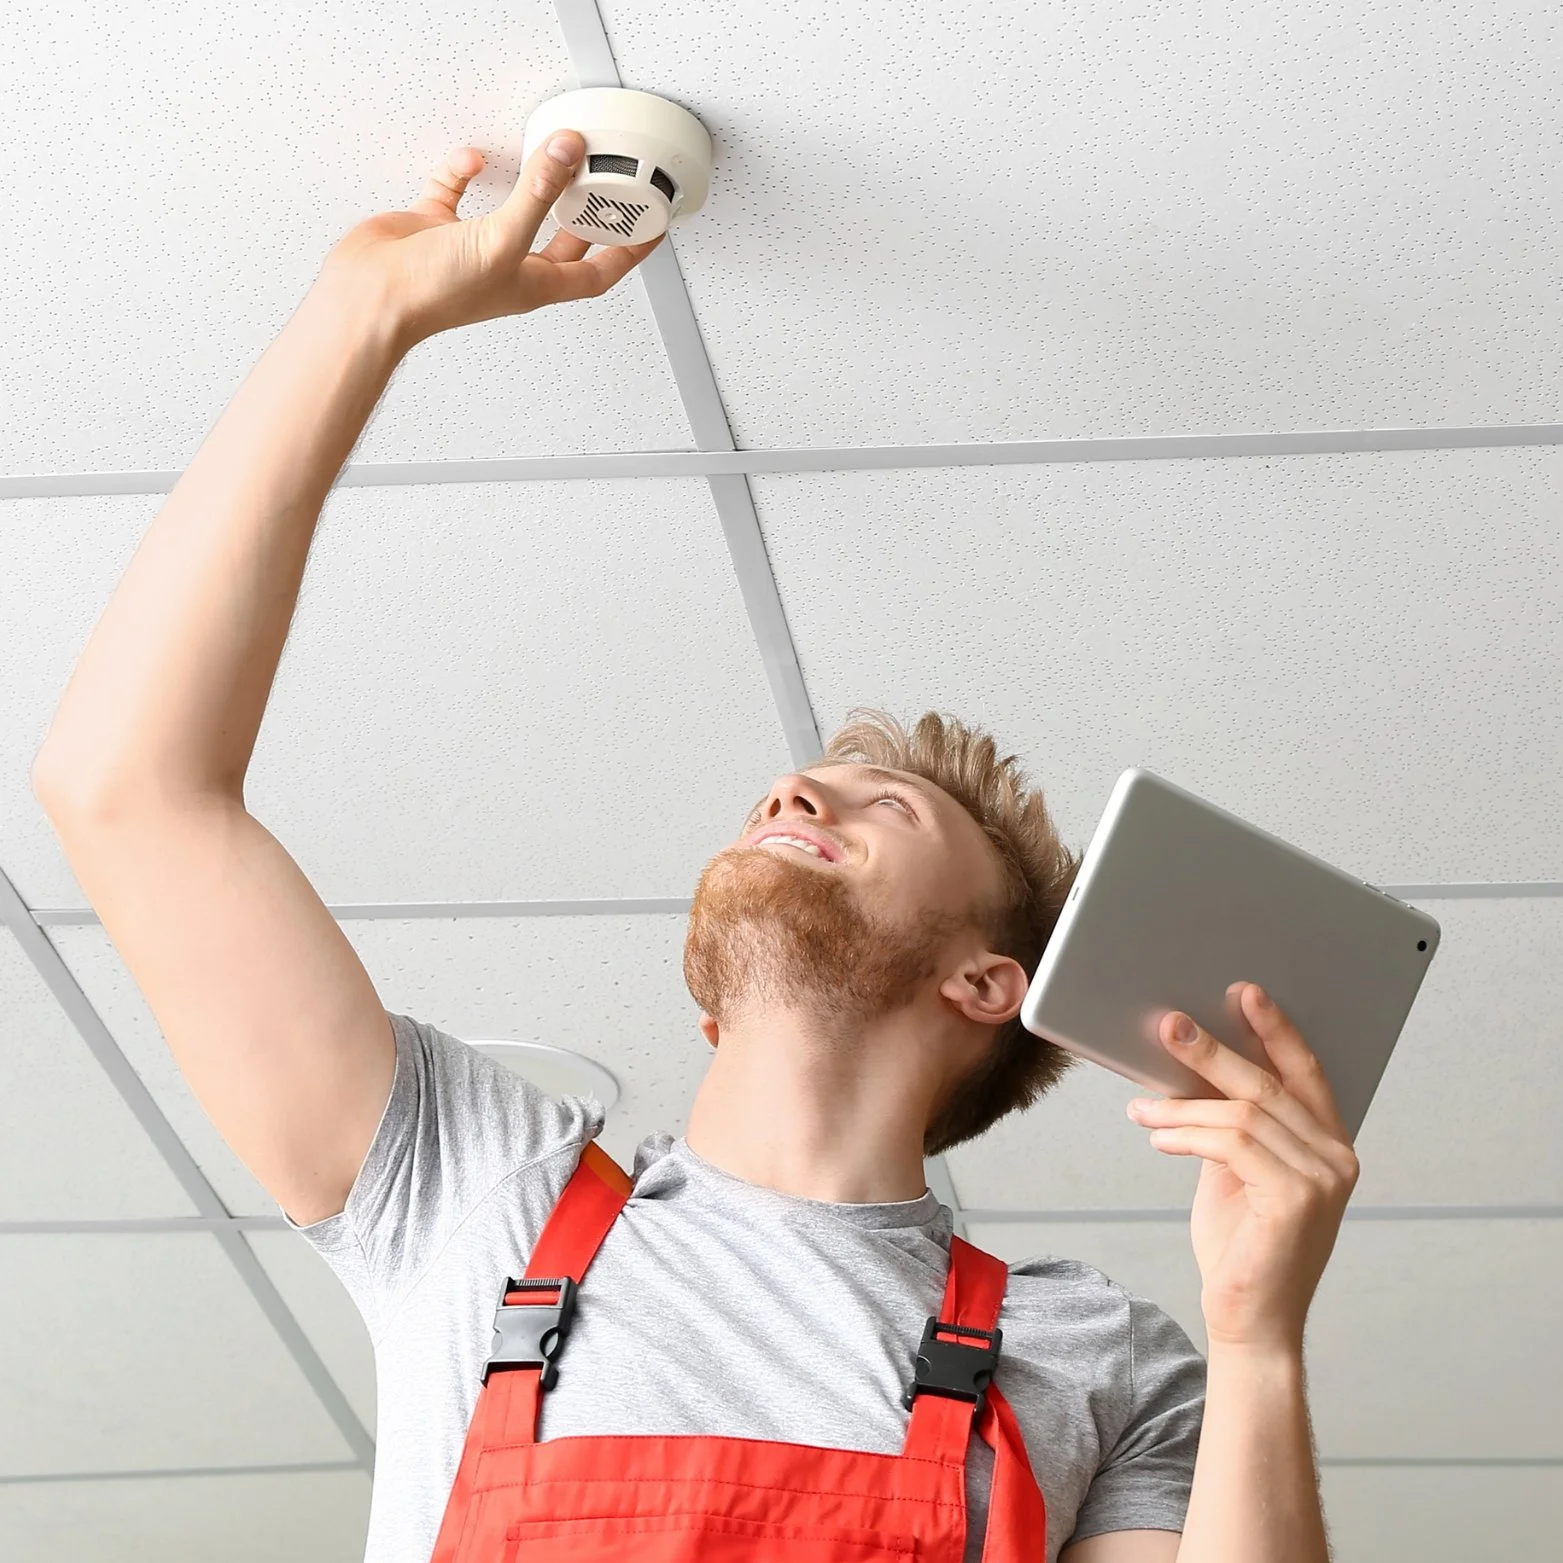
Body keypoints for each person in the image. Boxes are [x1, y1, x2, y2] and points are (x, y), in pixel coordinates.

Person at [34, 129, 1358, 1563]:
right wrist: (365, 311)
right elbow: (126, 786)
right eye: (784, 797)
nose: (796, 797)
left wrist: (1261, 1338)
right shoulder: (479, 1194)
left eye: (879, 808)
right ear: (707, 995)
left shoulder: (1088, 1354)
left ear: (985, 980)